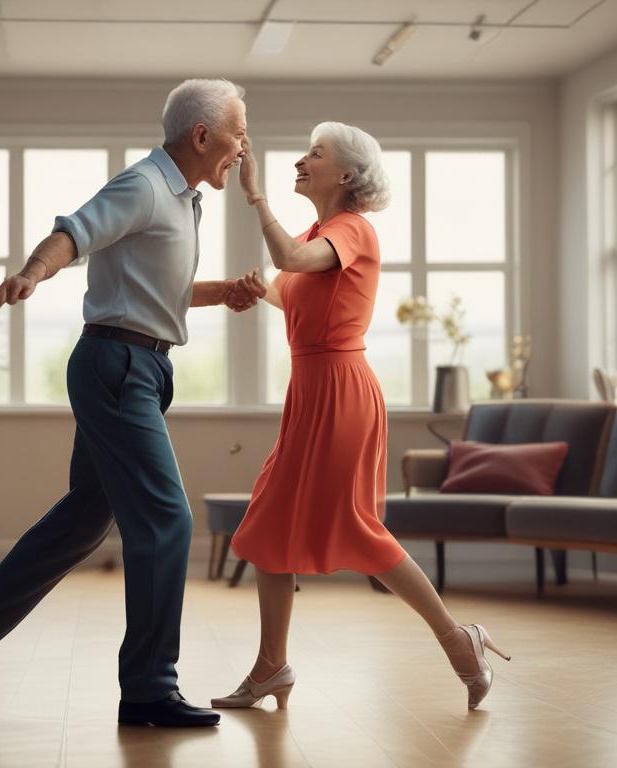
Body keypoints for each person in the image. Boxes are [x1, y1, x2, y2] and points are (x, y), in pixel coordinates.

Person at [0, 78, 267, 728]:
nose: (244, 147)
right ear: (202, 135)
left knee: (83, 521)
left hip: (143, 366)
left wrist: (223, 294)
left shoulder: (184, 201)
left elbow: (155, 291)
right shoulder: (145, 184)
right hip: (117, 366)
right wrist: (31, 272)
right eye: (239, 132)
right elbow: (74, 232)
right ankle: (149, 690)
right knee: (167, 522)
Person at [212, 123, 510, 713]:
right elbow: (292, 287)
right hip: (311, 389)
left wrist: (254, 194)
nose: (301, 160)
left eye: (314, 154)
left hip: (342, 390)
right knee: (271, 525)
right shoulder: (318, 233)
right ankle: (272, 667)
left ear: (346, 175)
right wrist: (259, 291)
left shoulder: (354, 229)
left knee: (356, 526)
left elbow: (290, 260)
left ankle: (459, 641)